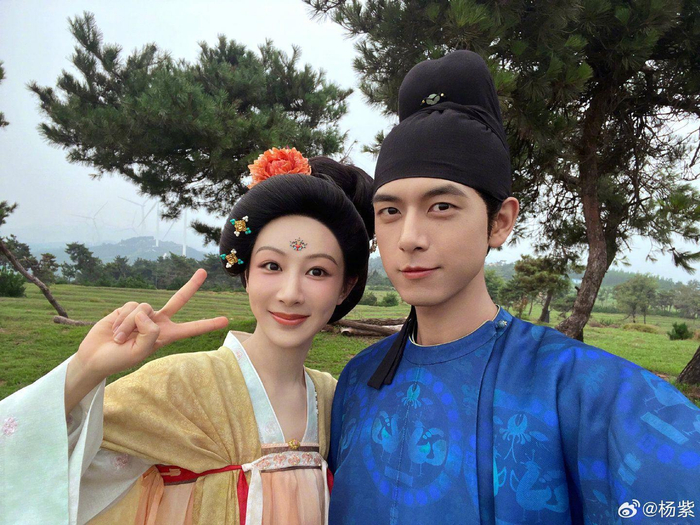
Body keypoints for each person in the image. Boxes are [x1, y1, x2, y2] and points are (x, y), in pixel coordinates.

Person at [328, 50, 700, 524]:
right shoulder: (357, 381)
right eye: (390, 211)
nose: (409, 238)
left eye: (442, 207)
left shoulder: (587, 392)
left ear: (500, 221)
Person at [0, 147, 374, 524]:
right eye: (272, 265)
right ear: (246, 273)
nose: (290, 293)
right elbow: (37, 464)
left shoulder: (337, 398)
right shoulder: (181, 385)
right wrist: (85, 369)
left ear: (345, 286)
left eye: (318, 271)